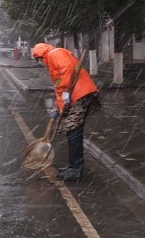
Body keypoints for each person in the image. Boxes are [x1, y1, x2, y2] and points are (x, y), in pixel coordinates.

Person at [32, 43, 101, 181]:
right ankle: (73, 166)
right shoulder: (52, 59)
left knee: (73, 131)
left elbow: (68, 70)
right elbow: (60, 85)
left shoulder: (54, 54)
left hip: (80, 94)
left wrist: (65, 93)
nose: (41, 63)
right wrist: (58, 107)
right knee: (72, 132)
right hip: (75, 95)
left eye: (39, 59)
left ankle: (76, 169)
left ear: (41, 55)